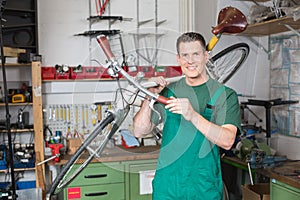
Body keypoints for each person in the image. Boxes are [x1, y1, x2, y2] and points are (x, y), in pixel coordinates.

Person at [133, 32, 241, 200]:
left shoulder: (224, 95)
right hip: (167, 187)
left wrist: (192, 115)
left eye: (196, 54)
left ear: (206, 56)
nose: (190, 61)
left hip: (203, 188)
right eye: (185, 55)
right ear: (178, 59)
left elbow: (227, 141)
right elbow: (139, 131)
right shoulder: (169, 91)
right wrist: (149, 96)